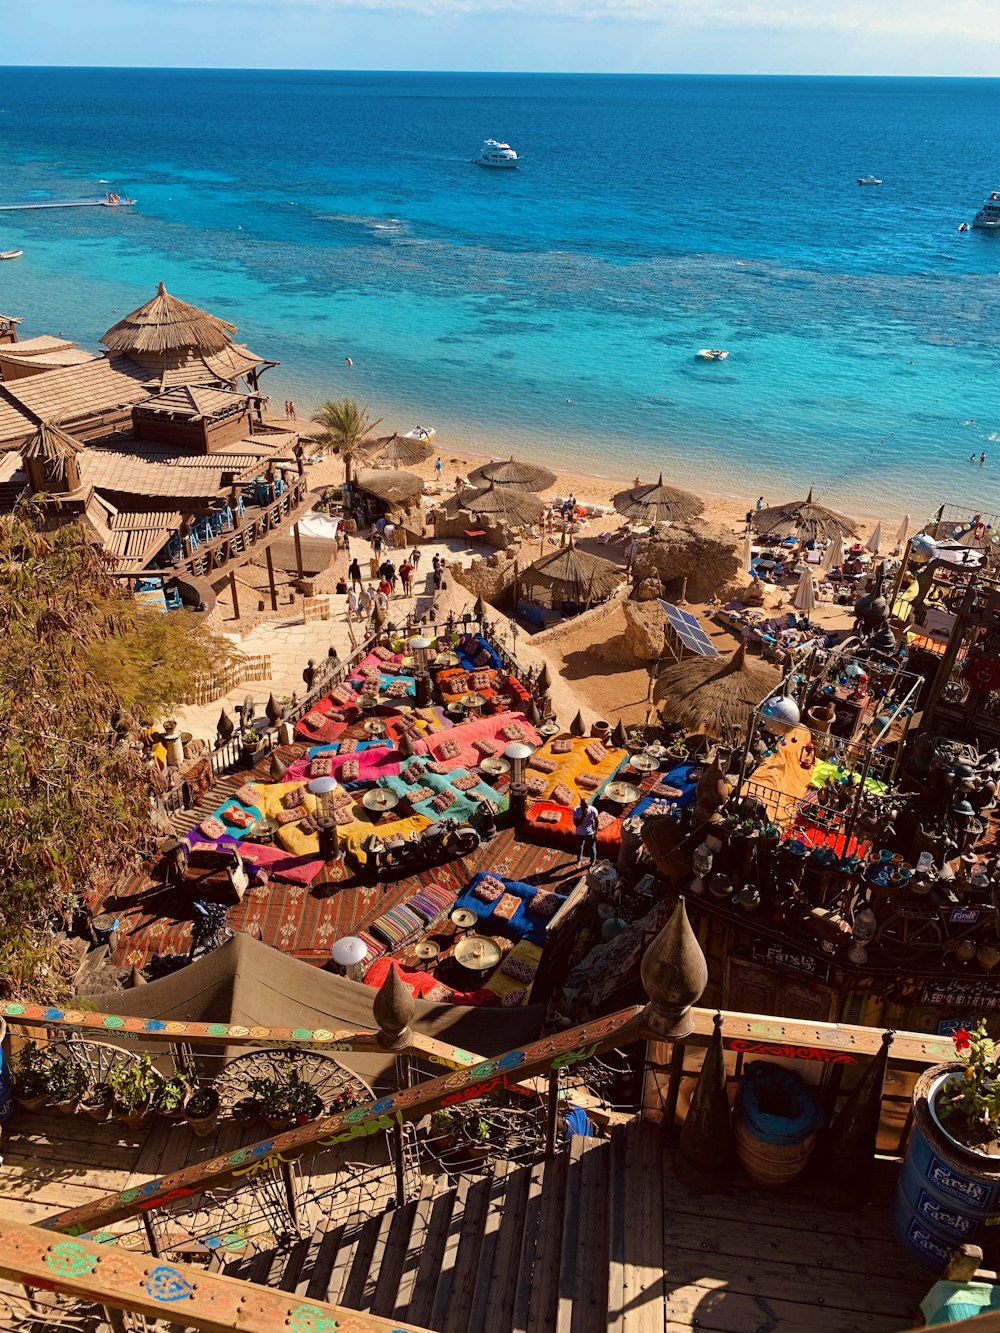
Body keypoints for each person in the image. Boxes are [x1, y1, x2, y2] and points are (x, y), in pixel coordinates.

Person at [573, 796, 599, 867]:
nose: (585, 809)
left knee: (592, 848)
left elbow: (597, 821)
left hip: (590, 832)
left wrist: (596, 832)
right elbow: (576, 824)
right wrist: (582, 817)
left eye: (586, 806)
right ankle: (579, 860)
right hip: (580, 832)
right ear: (580, 805)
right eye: (583, 807)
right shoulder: (576, 810)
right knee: (580, 847)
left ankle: (593, 861)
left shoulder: (593, 810)